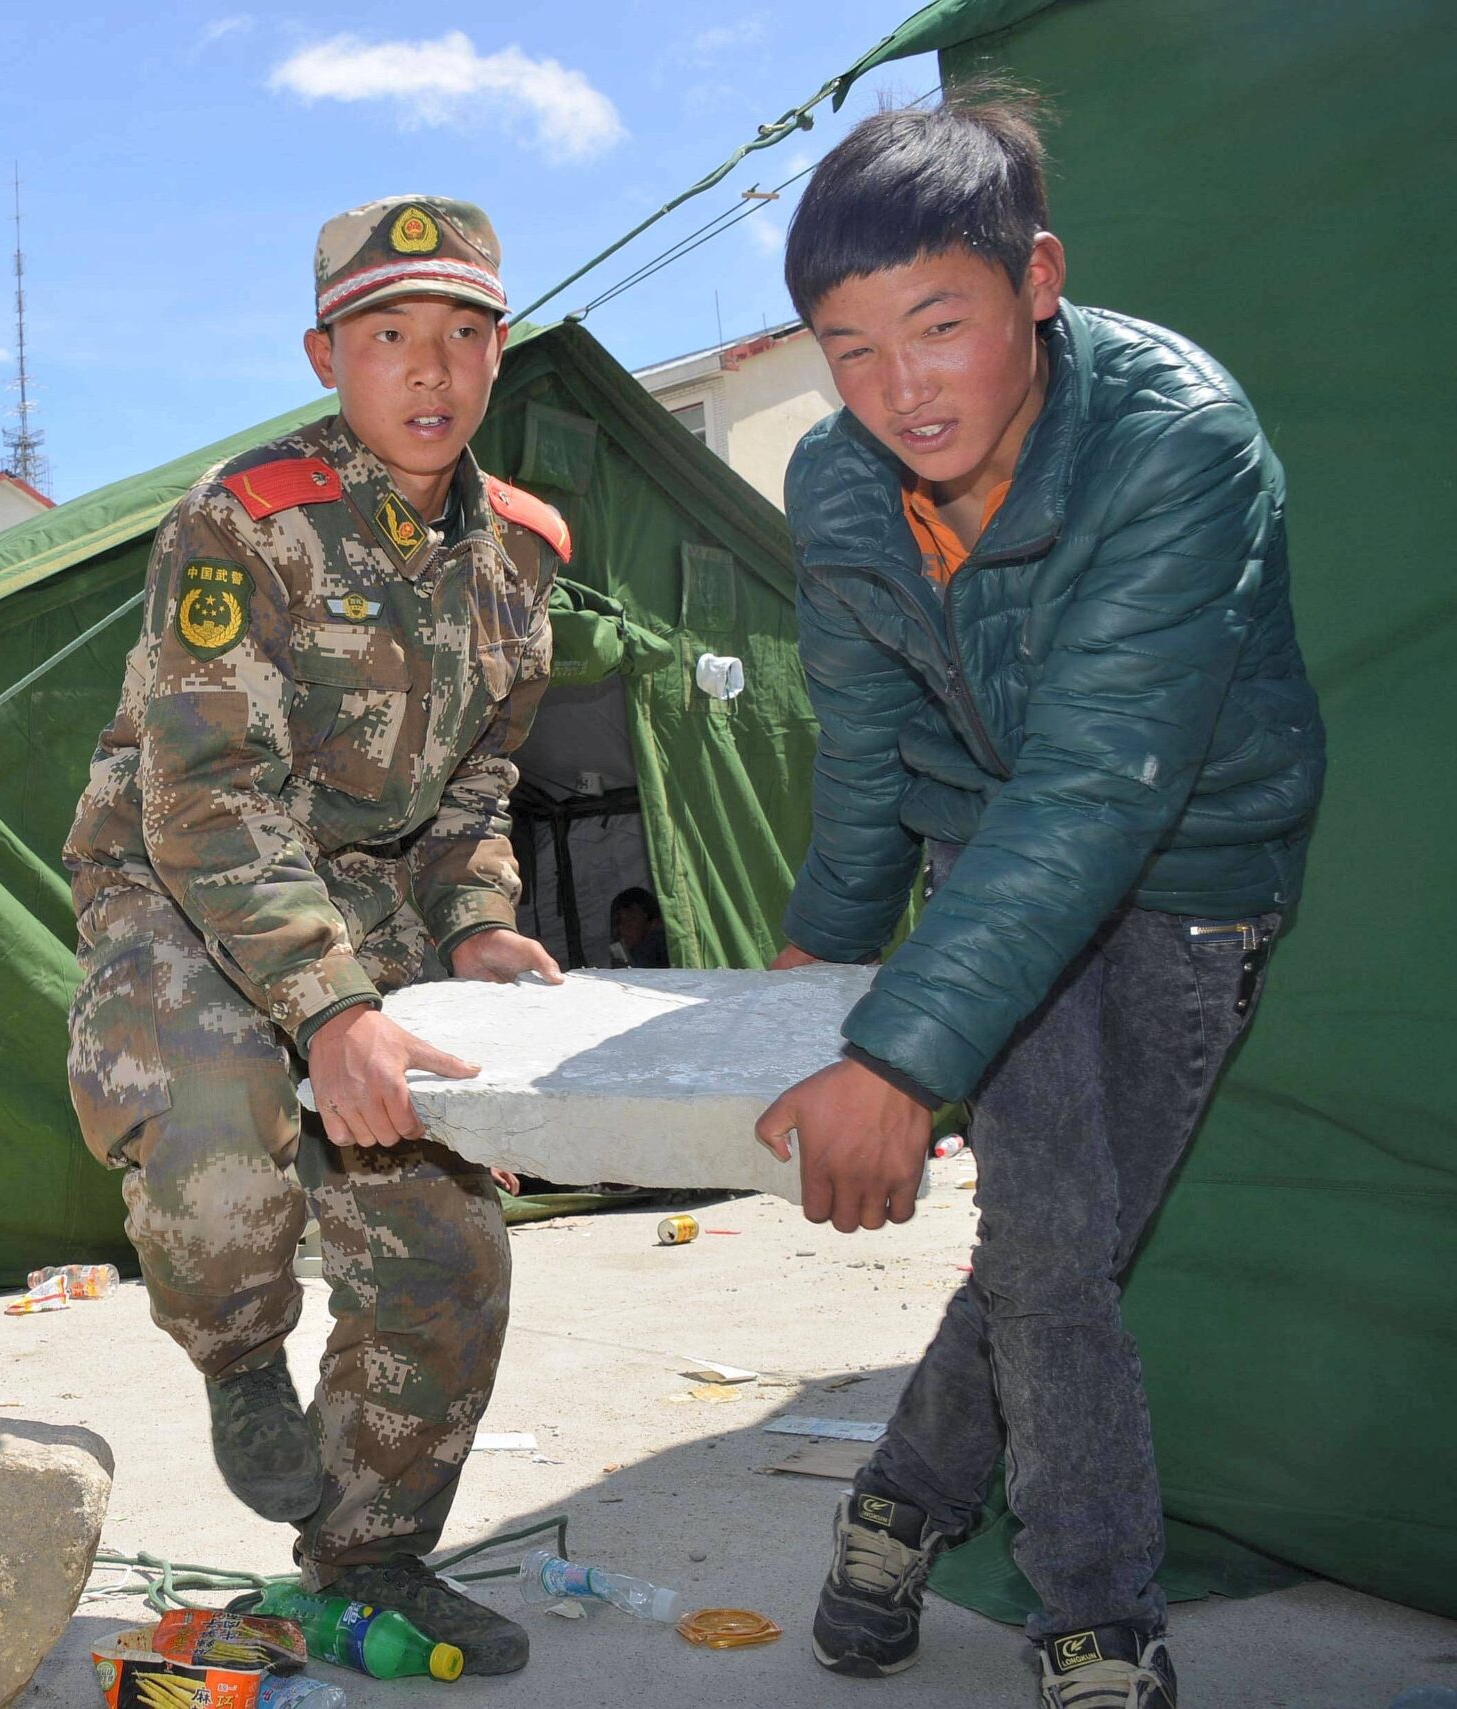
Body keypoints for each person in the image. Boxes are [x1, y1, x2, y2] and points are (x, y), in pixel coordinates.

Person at [749, 89, 1324, 1709]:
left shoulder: (1175, 436)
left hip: (1185, 869)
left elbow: (1096, 791)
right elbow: (867, 759)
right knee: (1053, 1249)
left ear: (1039, 281)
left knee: (1056, 1247)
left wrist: (900, 1056)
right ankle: (1099, 1620)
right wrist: (818, 972)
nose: (894, 388)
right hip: (985, 858)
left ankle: (895, 1505)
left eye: (937, 323)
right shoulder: (839, 483)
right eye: (846, 347)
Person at [61, 196, 567, 1672]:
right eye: (391, 335)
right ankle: (236, 1354)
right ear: (326, 354)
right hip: (182, 880)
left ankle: (372, 1556)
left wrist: (474, 926)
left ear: (497, 354)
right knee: (217, 1122)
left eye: (464, 336)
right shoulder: (250, 519)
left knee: (451, 1248)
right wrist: (330, 1012)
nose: (431, 369)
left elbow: (480, 779)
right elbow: (206, 791)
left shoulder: (525, 553)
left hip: (378, 904)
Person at [608, 886, 669, 969]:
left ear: (653, 923)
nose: (621, 928)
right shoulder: (631, 953)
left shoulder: (654, 948)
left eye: (631, 919)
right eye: (617, 921)